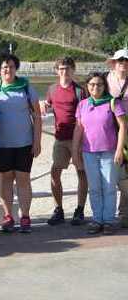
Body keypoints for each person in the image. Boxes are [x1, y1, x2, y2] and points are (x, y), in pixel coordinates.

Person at [0, 53, 42, 233]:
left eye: (11, 66)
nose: (8, 70)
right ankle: (8, 216)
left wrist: (37, 141)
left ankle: (25, 216)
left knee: (23, 179)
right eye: (4, 67)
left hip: (24, 143)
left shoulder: (26, 88)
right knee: (5, 180)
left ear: (16, 68)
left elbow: (37, 115)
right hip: (1, 144)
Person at [72, 72, 126, 235]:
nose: (95, 87)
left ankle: (108, 221)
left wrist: (119, 149)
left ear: (104, 86)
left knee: (109, 187)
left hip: (109, 152)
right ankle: (97, 220)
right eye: (92, 85)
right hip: (89, 153)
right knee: (94, 188)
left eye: (99, 84)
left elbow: (123, 126)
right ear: (87, 87)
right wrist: (75, 151)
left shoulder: (113, 102)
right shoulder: (82, 105)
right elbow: (79, 128)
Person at [40, 57, 88, 226]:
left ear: (73, 70)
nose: (64, 71)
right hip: (59, 139)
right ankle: (58, 210)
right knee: (55, 173)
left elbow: (87, 113)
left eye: (67, 68)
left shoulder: (80, 91)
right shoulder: (52, 89)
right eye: (61, 68)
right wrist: (44, 106)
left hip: (78, 139)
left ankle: (80, 210)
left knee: (81, 173)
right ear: (56, 70)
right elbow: (48, 104)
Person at [106, 48, 128, 227]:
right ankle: (108, 215)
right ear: (113, 63)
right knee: (114, 174)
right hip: (109, 132)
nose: (123, 63)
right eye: (120, 60)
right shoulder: (105, 80)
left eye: (126, 61)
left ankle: (123, 214)